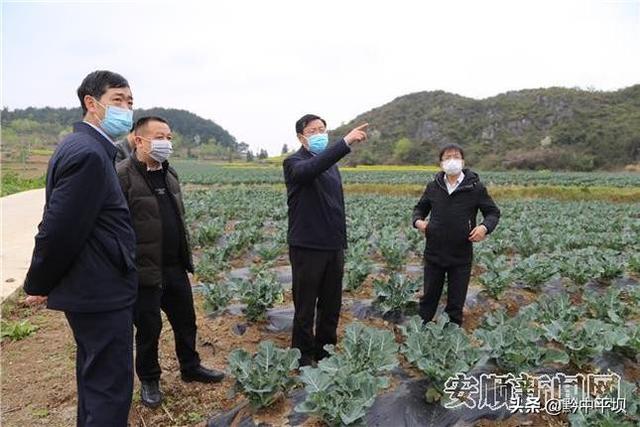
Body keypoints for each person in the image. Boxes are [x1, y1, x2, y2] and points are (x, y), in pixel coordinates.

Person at [23, 70, 138, 426]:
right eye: (117, 100)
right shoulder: (89, 154)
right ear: (92, 103)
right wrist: (38, 283)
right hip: (99, 290)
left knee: (95, 379)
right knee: (110, 389)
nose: (126, 108)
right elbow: (58, 229)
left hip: (94, 286)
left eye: (130, 102)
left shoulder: (86, 147)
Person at [116, 116, 224, 408]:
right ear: (139, 140)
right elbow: (115, 227)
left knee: (186, 322)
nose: (166, 143)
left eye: (169, 137)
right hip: (145, 271)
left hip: (175, 266)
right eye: (160, 137)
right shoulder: (122, 175)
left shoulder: (169, 172)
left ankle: (190, 367)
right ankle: (150, 379)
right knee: (149, 329)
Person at [283, 114, 368, 366]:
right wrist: (345, 143)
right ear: (301, 137)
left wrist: (341, 241)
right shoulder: (294, 162)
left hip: (333, 245)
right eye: (313, 130)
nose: (320, 133)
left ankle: (325, 350)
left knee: (332, 303)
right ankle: (303, 356)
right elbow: (311, 169)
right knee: (306, 305)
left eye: (323, 129)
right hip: (307, 246)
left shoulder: (331, 166)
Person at [412, 143, 500, 326]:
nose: (452, 160)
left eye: (456, 156)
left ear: (463, 161)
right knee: (428, 298)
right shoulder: (433, 187)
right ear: (441, 163)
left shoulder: (475, 188)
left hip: (461, 255)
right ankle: (420, 332)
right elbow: (419, 209)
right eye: (447, 157)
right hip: (434, 253)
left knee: (456, 302)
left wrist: (484, 227)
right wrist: (419, 222)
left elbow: (493, 212)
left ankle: (452, 341)